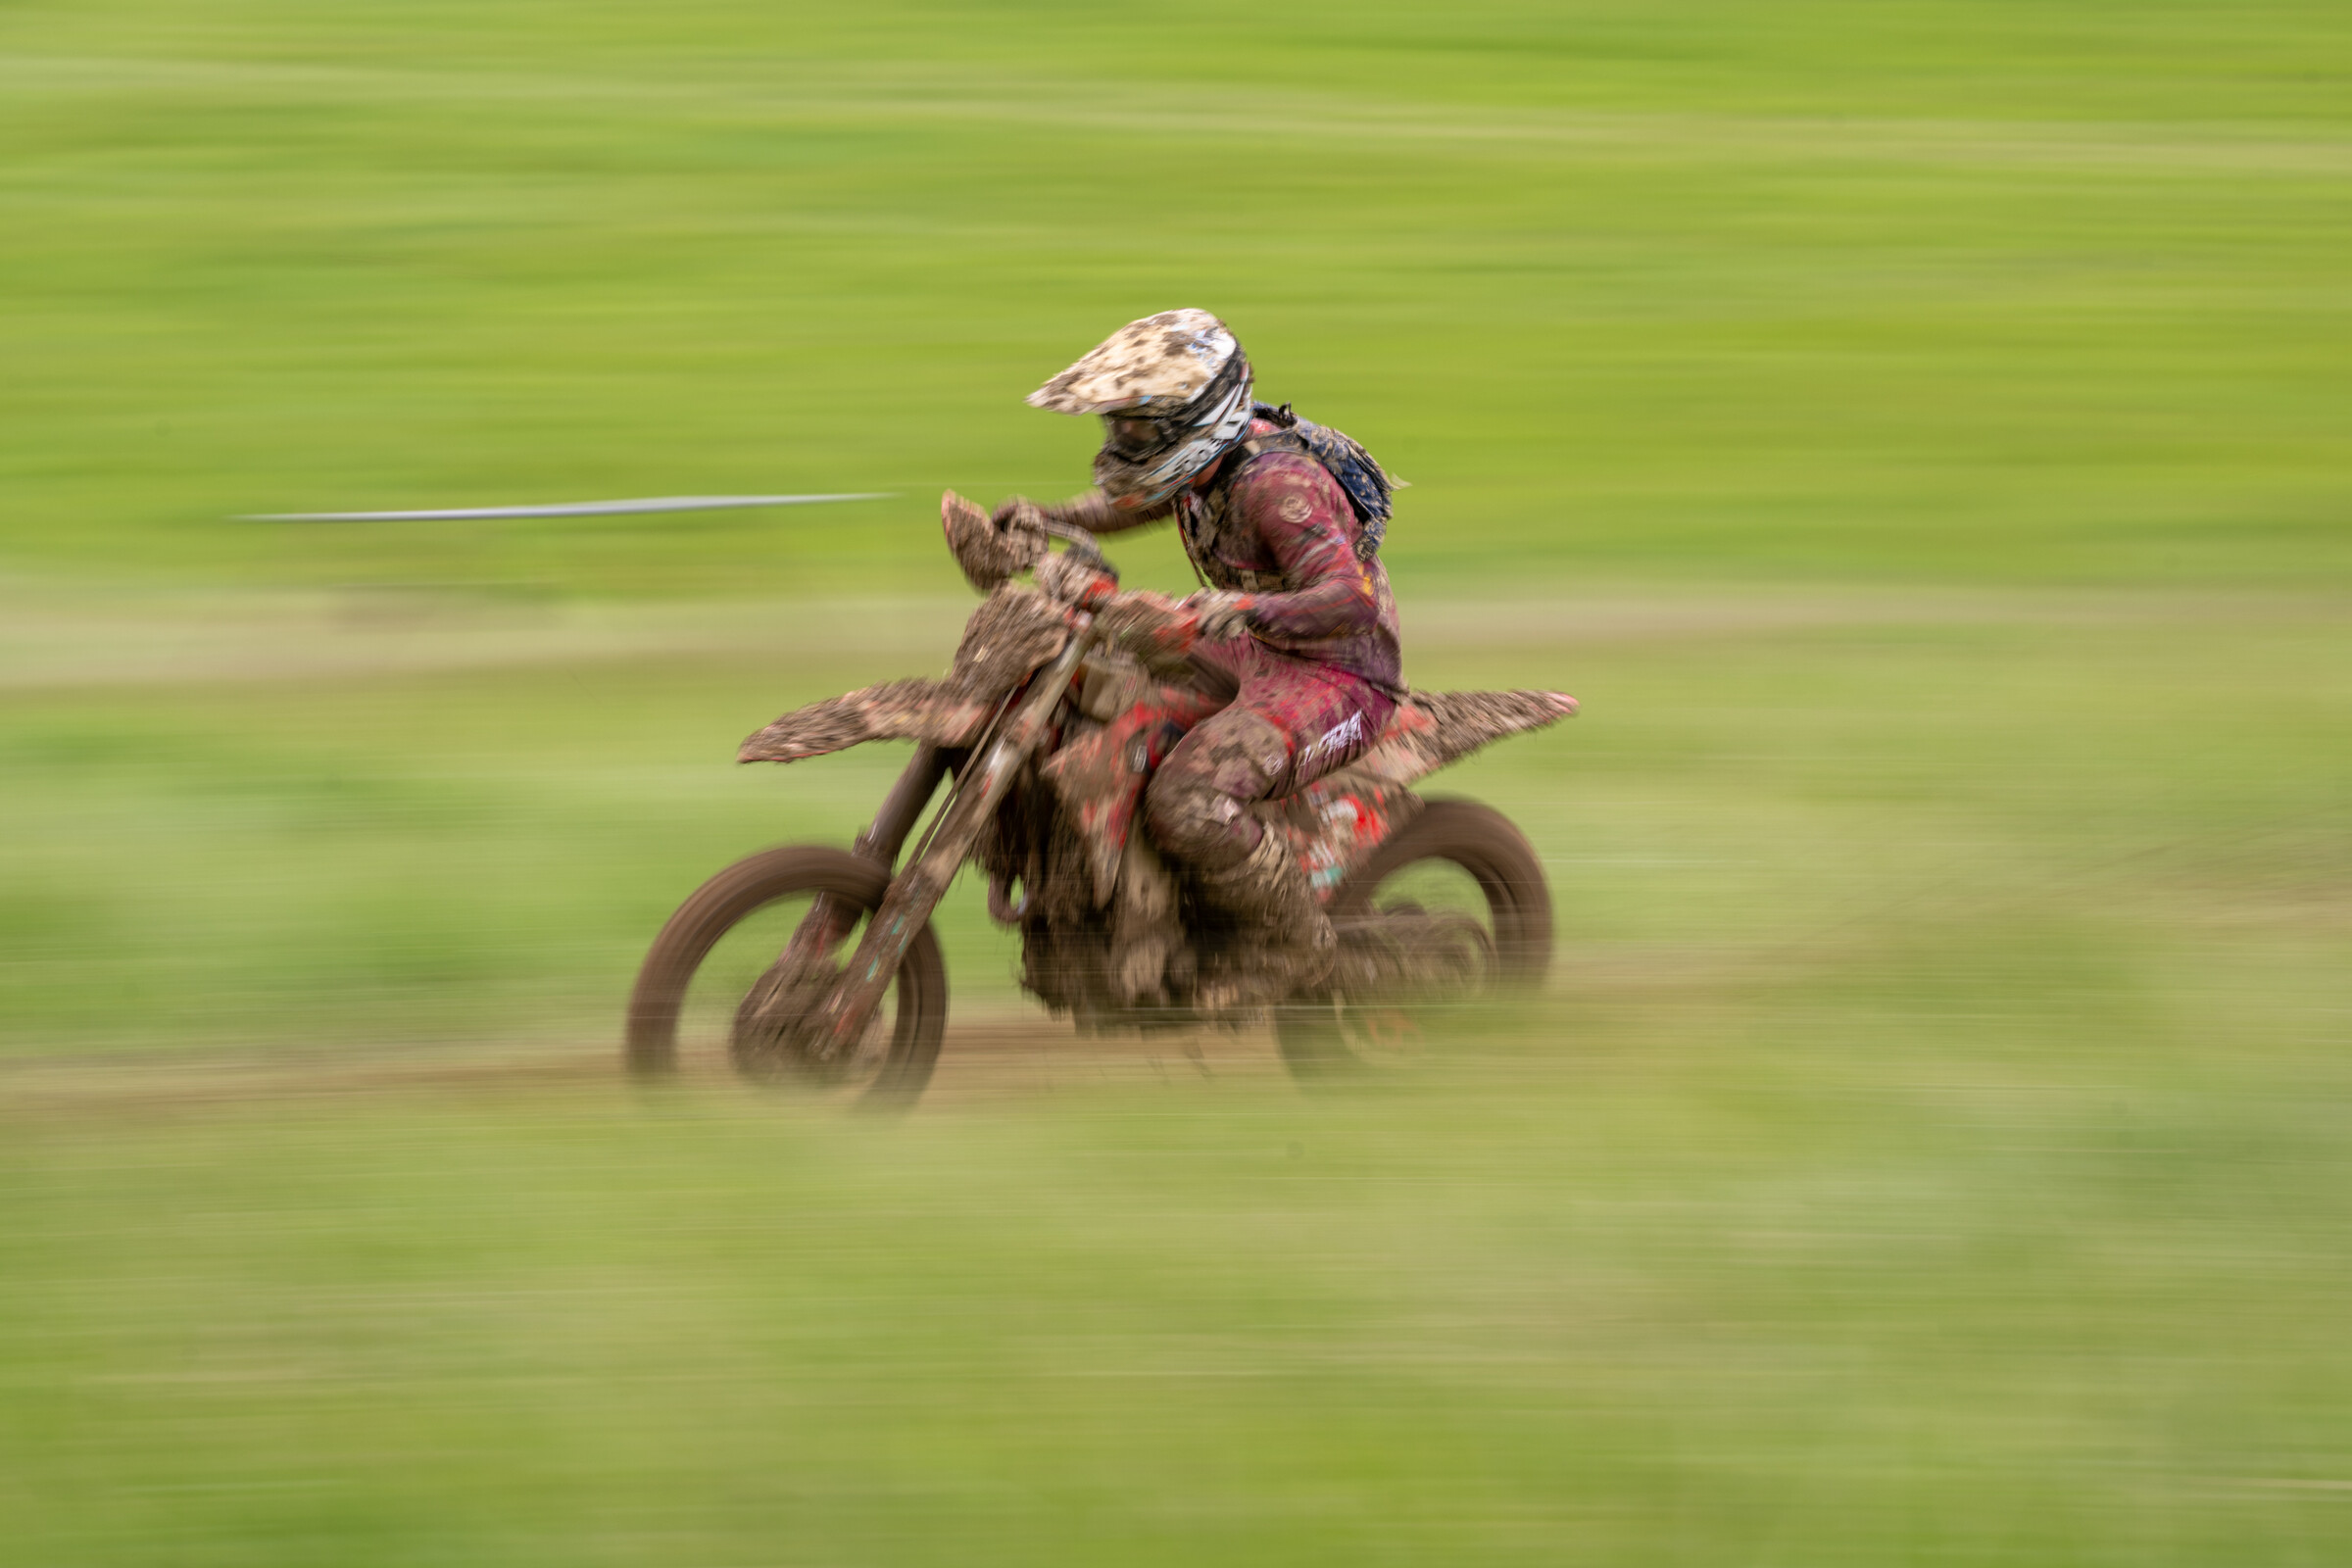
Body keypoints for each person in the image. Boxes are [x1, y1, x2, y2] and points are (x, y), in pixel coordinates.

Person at [995, 309, 1405, 1005]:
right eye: (1120, 425)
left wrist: (1248, 610)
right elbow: (1144, 500)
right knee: (1100, 684)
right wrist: (1054, 517)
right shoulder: (1205, 469)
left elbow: (1352, 599)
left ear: (1197, 420)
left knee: (1188, 799)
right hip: (1255, 648)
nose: (1124, 440)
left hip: (1337, 674)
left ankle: (1299, 950)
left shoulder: (1276, 488)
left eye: (1138, 427)